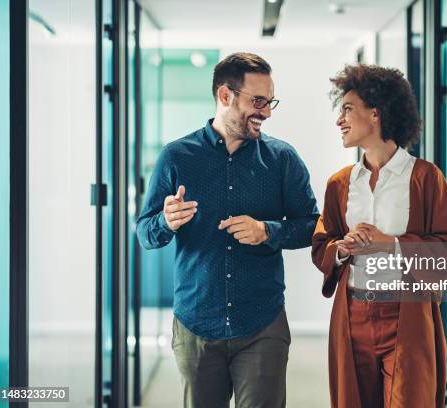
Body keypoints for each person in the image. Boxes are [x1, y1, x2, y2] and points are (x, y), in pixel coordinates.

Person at [137, 52, 319, 408]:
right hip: (196, 324)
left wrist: (268, 231)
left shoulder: (283, 159)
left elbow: (313, 226)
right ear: (225, 96)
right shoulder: (176, 157)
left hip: (262, 324)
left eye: (270, 102)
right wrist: (165, 221)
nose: (266, 112)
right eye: (258, 101)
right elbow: (145, 232)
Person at [312, 64, 447, 408]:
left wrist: (390, 244)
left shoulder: (426, 178)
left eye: (348, 109)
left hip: (406, 316)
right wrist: (342, 248)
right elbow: (322, 244)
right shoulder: (339, 184)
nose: (340, 120)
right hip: (353, 316)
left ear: (376, 113)